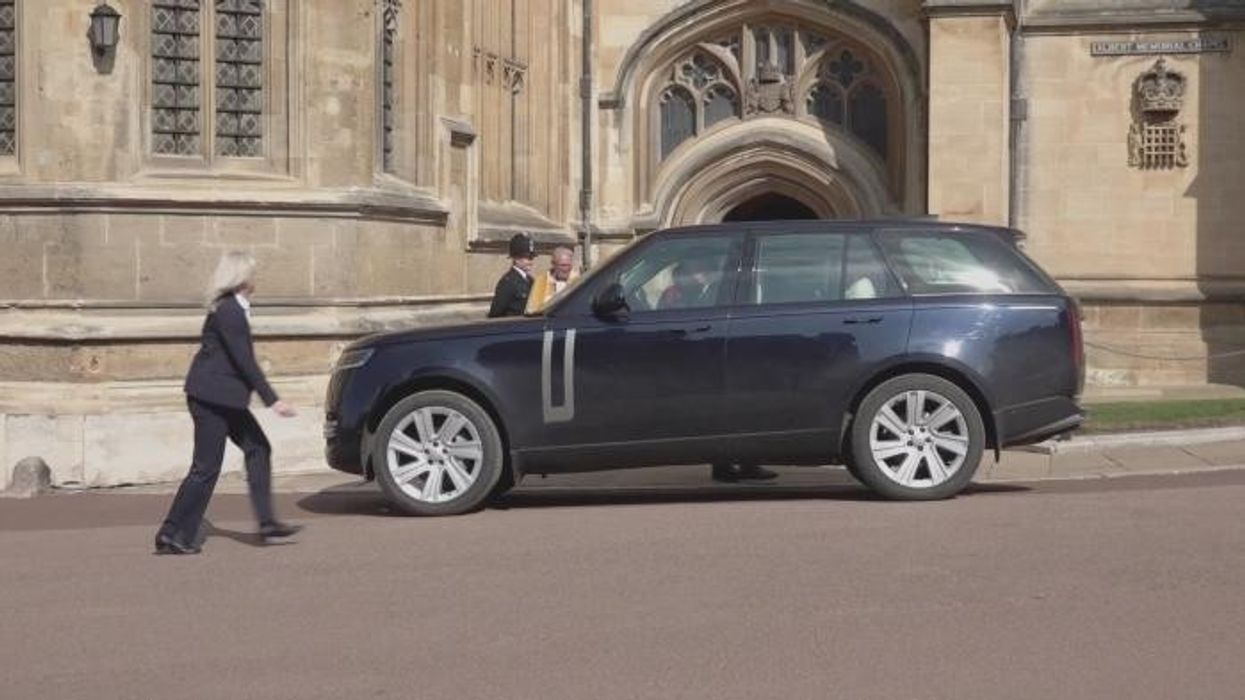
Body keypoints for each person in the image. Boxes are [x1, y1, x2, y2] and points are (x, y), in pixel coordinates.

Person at [154, 251, 302, 555]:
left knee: (257, 448)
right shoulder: (230, 311)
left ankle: (266, 523)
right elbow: (245, 361)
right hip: (211, 399)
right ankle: (175, 534)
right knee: (206, 468)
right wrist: (273, 401)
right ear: (242, 277)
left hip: (225, 399)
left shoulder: (231, 308)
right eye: (252, 273)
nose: (256, 278)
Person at [488, 233, 536, 318]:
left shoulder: (530, 280)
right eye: (527, 257)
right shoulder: (508, 282)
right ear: (516, 258)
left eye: (532, 257)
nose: (531, 262)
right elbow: (495, 314)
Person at [525, 245, 580, 313]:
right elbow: (531, 309)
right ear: (553, 264)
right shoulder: (541, 281)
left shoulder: (577, 281)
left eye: (569, 265)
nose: (566, 269)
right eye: (563, 265)